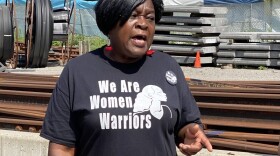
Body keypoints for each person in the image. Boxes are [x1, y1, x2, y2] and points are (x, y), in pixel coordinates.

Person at [40, 0, 213, 155]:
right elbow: (62, 148)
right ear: (110, 22)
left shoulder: (168, 68)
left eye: (150, 18)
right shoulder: (78, 72)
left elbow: (186, 124)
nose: (143, 24)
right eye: (133, 15)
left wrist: (189, 133)